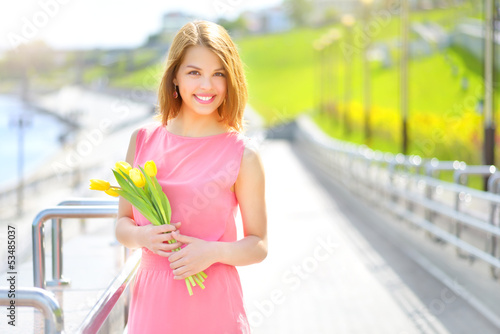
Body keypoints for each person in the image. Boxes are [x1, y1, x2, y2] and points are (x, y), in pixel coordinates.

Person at [115, 20, 267, 334]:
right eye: (194, 72)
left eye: (219, 74)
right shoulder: (141, 140)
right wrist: (142, 238)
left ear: (231, 80)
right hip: (151, 306)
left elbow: (259, 244)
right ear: (175, 77)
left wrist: (213, 252)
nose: (206, 86)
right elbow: (122, 225)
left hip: (214, 309)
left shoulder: (243, 154)